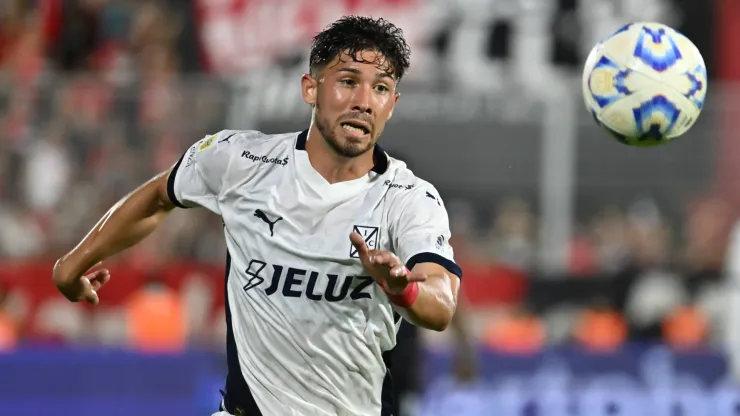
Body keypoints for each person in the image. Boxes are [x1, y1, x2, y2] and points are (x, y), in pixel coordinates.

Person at [52, 16, 463, 416]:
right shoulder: (241, 161)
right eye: (348, 81)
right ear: (310, 89)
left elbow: (442, 304)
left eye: (381, 88)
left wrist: (402, 288)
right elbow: (160, 196)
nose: (363, 101)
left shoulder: (409, 198)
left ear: (392, 104)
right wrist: (73, 264)